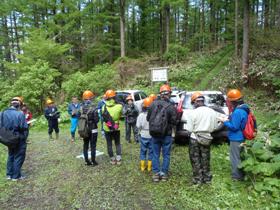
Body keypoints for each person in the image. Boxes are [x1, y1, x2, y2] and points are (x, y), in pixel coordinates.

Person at [186, 92, 223, 185]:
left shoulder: (192, 113)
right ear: (203, 101)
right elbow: (215, 127)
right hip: (207, 137)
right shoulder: (212, 112)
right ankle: (207, 179)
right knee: (205, 158)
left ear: (194, 102)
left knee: (195, 159)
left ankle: (198, 179)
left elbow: (189, 129)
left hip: (194, 138)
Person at [147, 84, 177, 182]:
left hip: (154, 134)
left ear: (160, 94)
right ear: (169, 94)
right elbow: (174, 122)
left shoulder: (152, 104)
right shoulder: (171, 107)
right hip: (166, 134)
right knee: (166, 154)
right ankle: (163, 174)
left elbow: (148, 118)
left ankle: (156, 174)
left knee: (155, 154)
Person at [219, 89, 250, 181]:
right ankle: (242, 173)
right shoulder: (244, 108)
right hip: (242, 136)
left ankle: (236, 177)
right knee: (240, 156)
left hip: (236, 137)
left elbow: (234, 127)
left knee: (235, 157)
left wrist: (225, 122)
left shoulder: (237, 112)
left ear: (233, 101)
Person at [1, 97, 29, 181]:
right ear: (19, 104)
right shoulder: (20, 114)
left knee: (11, 155)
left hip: (7, 138)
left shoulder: (2, 113)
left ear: (11, 104)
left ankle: (9, 175)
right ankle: (16, 176)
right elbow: (24, 127)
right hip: (18, 137)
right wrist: (25, 137)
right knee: (19, 156)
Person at [102, 89, 123, 165]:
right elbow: (121, 115)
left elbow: (103, 117)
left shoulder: (103, 107)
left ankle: (112, 159)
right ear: (114, 97)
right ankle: (118, 159)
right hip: (116, 127)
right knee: (117, 143)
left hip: (107, 128)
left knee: (109, 144)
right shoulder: (119, 106)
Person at [79, 90, 99, 166]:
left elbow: (78, 117)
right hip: (93, 128)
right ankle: (93, 161)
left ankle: (87, 161)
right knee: (93, 145)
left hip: (84, 129)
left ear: (84, 98)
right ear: (91, 97)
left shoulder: (80, 107)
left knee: (85, 145)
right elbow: (96, 120)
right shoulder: (94, 107)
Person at [137, 97, 154, 172]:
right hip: (151, 135)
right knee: (151, 151)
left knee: (143, 151)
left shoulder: (141, 115)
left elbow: (138, 126)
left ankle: (142, 167)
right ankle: (150, 167)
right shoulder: (154, 114)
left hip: (143, 134)